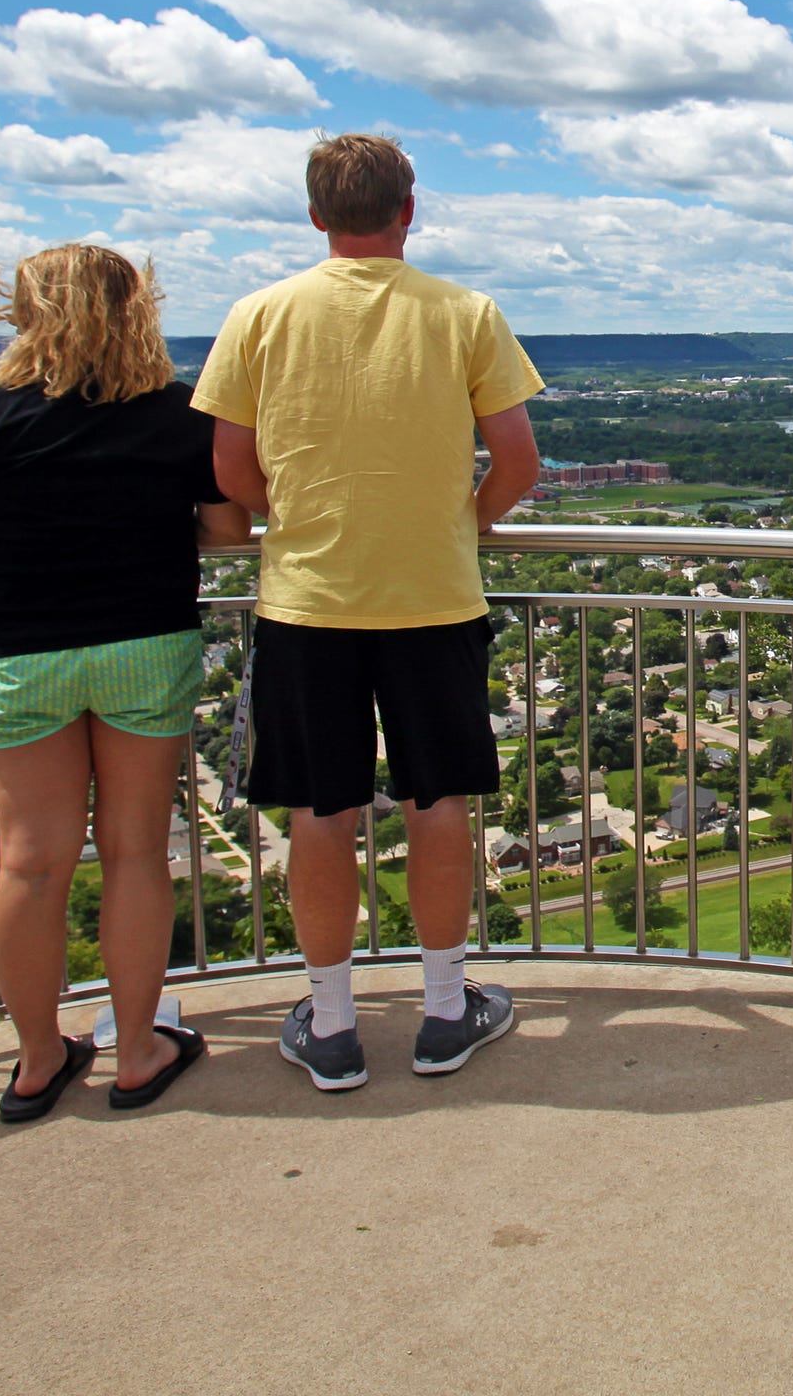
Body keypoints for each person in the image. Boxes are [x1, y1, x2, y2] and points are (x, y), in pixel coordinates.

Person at [194, 133, 542, 1091]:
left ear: (315, 215)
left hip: (308, 603)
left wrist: (303, 517)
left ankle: (334, 1024)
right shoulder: (465, 312)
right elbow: (518, 462)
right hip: (435, 598)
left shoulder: (258, 314)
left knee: (319, 811)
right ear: (409, 209)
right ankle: (442, 1011)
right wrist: (457, 527)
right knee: (438, 805)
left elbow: (229, 470)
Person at [0, 244, 251, 1122]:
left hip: (25, 653)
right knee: (137, 849)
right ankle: (137, 1051)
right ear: (137, 312)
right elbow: (226, 530)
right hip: (145, 643)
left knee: (31, 861)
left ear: (25, 314)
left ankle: (37, 1062)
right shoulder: (178, 414)